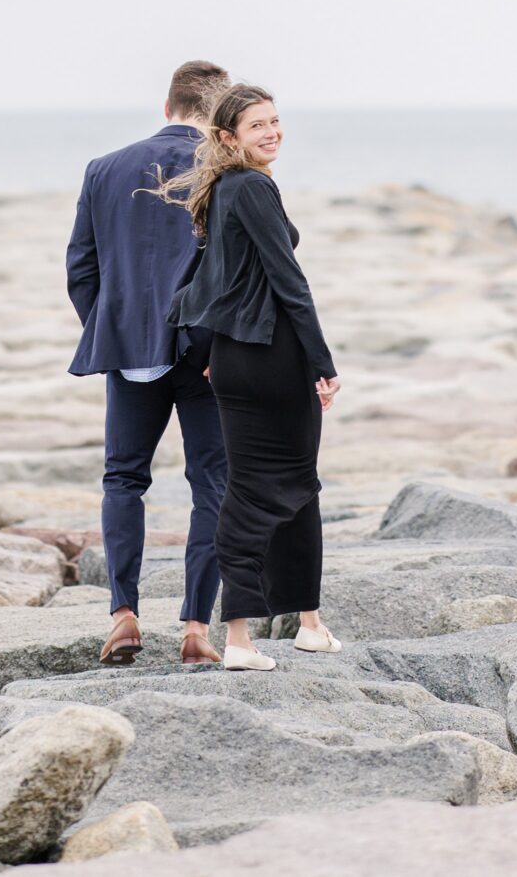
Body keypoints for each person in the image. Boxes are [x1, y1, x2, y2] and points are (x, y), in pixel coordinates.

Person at [162, 82, 341, 670]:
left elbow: (217, 282)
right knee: (270, 490)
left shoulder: (222, 190)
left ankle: (307, 623)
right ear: (226, 138)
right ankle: (238, 639)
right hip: (273, 359)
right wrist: (322, 363)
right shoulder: (254, 187)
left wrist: (214, 349)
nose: (272, 132)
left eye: (275, 121)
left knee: (282, 487)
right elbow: (290, 281)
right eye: (257, 125)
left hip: (236, 359)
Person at [66, 59, 235, 667]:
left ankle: (124, 614)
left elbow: (81, 270)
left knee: (123, 479)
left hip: (129, 349)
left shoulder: (104, 169)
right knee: (212, 485)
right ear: (220, 115)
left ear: (167, 107)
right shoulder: (227, 167)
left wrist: (111, 329)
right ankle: (195, 626)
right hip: (206, 355)